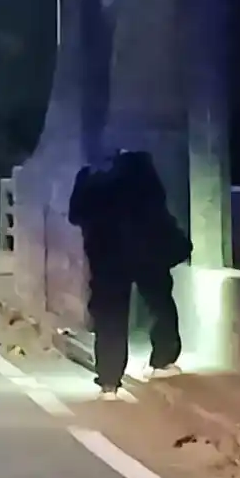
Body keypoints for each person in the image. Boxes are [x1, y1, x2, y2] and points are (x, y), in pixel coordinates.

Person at [68, 150, 191, 401]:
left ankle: (110, 382)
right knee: (159, 302)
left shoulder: (90, 175)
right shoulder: (141, 167)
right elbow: (158, 203)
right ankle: (162, 361)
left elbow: (76, 215)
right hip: (147, 250)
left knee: (110, 314)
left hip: (107, 254)